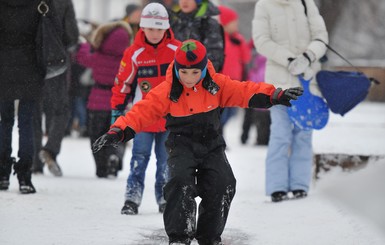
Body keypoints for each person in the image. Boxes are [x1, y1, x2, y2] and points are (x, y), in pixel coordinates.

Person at [92, 39, 303, 245]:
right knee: (179, 183)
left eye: (195, 72)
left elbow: (245, 90)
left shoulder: (216, 85)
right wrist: (118, 131)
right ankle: (179, 237)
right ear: (176, 68)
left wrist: (275, 94)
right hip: (181, 144)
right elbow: (142, 111)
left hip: (211, 144)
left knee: (223, 184)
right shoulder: (167, 90)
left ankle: (208, 237)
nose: (189, 78)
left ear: (203, 69)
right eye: (183, 72)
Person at [252, 0, 328, 202]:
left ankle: (300, 184)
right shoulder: (264, 5)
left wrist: (308, 56)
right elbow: (261, 40)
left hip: (308, 82)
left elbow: (321, 36)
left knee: (303, 135)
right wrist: (290, 59)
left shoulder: (306, 2)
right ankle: (276, 186)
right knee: (280, 135)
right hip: (279, 84)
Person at [110, 3, 181, 214]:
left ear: (166, 28)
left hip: (170, 118)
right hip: (143, 119)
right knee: (139, 158)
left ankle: (164, 197)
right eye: (150, 29)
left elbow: (189, 80)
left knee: (166, 160)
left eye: (159, 29)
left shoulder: (177, 51)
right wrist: (117, 110)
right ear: (142, 28)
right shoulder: (134, 53)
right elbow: (123, 84)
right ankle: (132, 197)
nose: (155, 33)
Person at [76, 21, 133, 178]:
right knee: (118, 134)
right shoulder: (127, 60)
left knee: (97, 135)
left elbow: (82, 58)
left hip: (97, 101)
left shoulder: (98, 56)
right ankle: (114, 156)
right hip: (118, 103)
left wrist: (85, 45)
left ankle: (101, 167)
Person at [0, 0, 44, 194]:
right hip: (31, 66)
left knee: (5, 121)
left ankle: (2, 174)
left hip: (3, 67)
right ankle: (25, 176)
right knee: (26, 122)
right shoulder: (39, 3)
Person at [31, 0, 79, 176]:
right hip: (56, 62)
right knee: (60, 109)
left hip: (30, 61)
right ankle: (50, 149)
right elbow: (72, 35)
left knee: (33, 110)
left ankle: (35, 162)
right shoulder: (63, 2)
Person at [216, 5, 251, 138]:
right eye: (233, 23)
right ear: (225, 23)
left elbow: (246, 57)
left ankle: (220, 132)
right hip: (222, 84)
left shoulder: (237, 39)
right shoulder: (218, 38)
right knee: (222, 112)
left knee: (233, 112)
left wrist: (241, 43)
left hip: (235, 83)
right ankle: (219, 135)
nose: (236, 26)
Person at [170, 0, 224, 72]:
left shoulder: (208, 24)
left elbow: (215, 56)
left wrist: (197, 76)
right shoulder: (175, 24)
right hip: (177, 76)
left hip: (202, 77)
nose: (184, 2)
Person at [241, 41, 271, 146]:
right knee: (266, 123)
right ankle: (264, 140)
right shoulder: (267, 68)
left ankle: (260, 140)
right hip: (267, 102)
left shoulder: (256, 69)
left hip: (257, 101)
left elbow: (252, 82)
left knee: (259, 123)